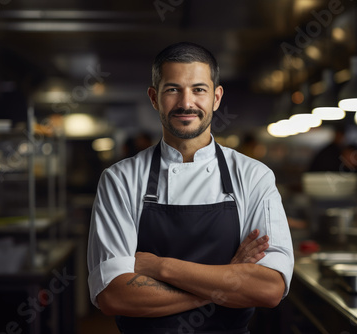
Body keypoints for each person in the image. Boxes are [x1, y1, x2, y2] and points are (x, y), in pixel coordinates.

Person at [87, 42, 294, 334]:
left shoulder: (253, 177)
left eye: (199, 89)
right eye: (172, 89)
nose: (187, 103)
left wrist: (160, 268)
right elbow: (114, 294)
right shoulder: (120, 179)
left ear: (216, 97)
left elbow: (268, 288)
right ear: (154, 98)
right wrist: (227, 282)